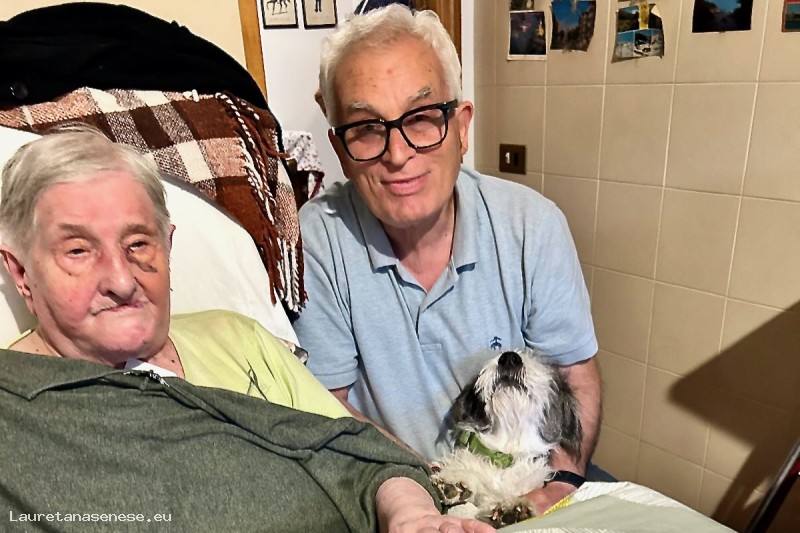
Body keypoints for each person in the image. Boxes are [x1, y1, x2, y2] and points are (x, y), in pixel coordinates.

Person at [0, 126, 494, 533]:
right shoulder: (16, 414)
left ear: (168, 245)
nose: (122, 280)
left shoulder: (237, 338)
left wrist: (411, 515)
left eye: (138, 244)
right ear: (21, 273)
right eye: (78, 251)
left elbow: (366, 455)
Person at [293, 4, 602, 515]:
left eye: (420, 119)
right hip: (393, 490)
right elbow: (330, 407)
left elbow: (574, 372)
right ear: (340, 149)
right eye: (366, 128)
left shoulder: (533, 225)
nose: (398, 155)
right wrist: (427, 495)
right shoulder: (315, 240)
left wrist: (562, 482)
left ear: (461, 127)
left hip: (527, 484)